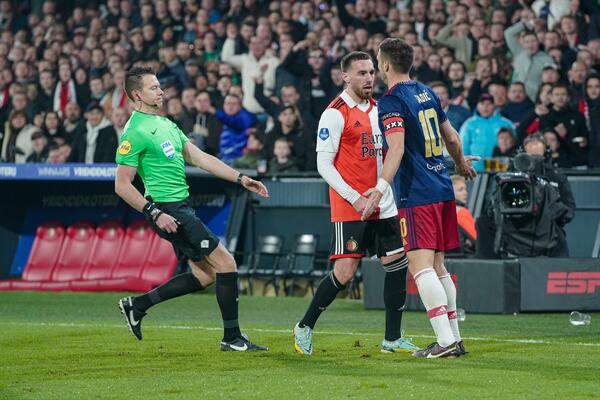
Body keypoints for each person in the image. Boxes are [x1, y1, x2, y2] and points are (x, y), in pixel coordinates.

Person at [115, 67, 269, 352]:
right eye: (153, 88)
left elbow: (201, 158)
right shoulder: (134, 132)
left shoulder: (166, 124)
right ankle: (232, 338)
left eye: (160, 86)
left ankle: (137, 306)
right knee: (226, 264)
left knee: (205, 275)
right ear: (137, 94)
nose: (161, 91)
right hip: (167, 209)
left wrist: (240, 178)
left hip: (180, 206)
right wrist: (154, 212)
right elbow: (122, 185)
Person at [293, 51, 418, 356]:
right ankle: (304, 326)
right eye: (361, 73)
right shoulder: (334, 113)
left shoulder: (380, 108)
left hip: (383, 203)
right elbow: (324, 165)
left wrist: (382, 191)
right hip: (351, 206)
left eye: (372, 72)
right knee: (345, 272)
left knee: (397, 264)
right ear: (345, 77)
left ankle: (392, 338)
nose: (369, 78)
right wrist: (355, 197)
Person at [363, 38, 478, 358]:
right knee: (438, 266)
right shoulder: (427, 92)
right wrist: (459, 164)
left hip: (417, 193)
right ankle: (454, 338)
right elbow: (451, 136)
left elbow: (397, 148)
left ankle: (445, 342)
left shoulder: (391, 101)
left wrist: (380, 187)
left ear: (386, 64)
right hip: (441, 187)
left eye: (378, 60)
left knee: (420, 265)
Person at [451, 175, 477, 254]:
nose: (465, 193)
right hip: (460, 256)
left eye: (465, 189)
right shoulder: (460, 212)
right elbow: (478, 239)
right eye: (460, 190)